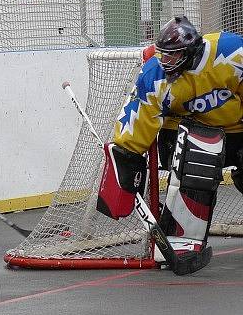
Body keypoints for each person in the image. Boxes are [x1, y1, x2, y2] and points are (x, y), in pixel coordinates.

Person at [97, 15, 243, 267]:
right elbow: (138, 117)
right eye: (163, 54)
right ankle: (181, 240)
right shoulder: (155, 75)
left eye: (172, 56)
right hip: (182, 133)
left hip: (234, 129)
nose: (165, 61)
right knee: (198, 159)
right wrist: (128, 156)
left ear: (191, 51)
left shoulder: (231, 52)